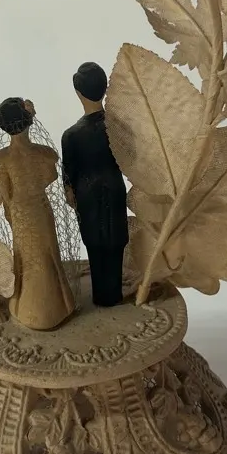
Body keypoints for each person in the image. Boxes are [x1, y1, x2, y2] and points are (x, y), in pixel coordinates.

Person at [0, 98, 75, 331]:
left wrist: (11, 214)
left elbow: (5, 193)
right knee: (47, 254)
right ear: (30, 120)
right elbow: (50, 176)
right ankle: (59, 306)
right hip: (40, 209)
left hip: (20, 214)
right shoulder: (44, 154)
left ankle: (27, 307)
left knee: (26, 259)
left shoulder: (1, 160)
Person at [61, 63, 129, 307]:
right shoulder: (118, 127)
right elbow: (131, 160)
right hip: (114, 190)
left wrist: (71, 196)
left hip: (87, 195)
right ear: (105, 88)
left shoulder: (71, 135)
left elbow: (68, 177)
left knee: (95, 244)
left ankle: (101, 295)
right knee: (116, 242)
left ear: (78, 92)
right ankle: (114, 293)